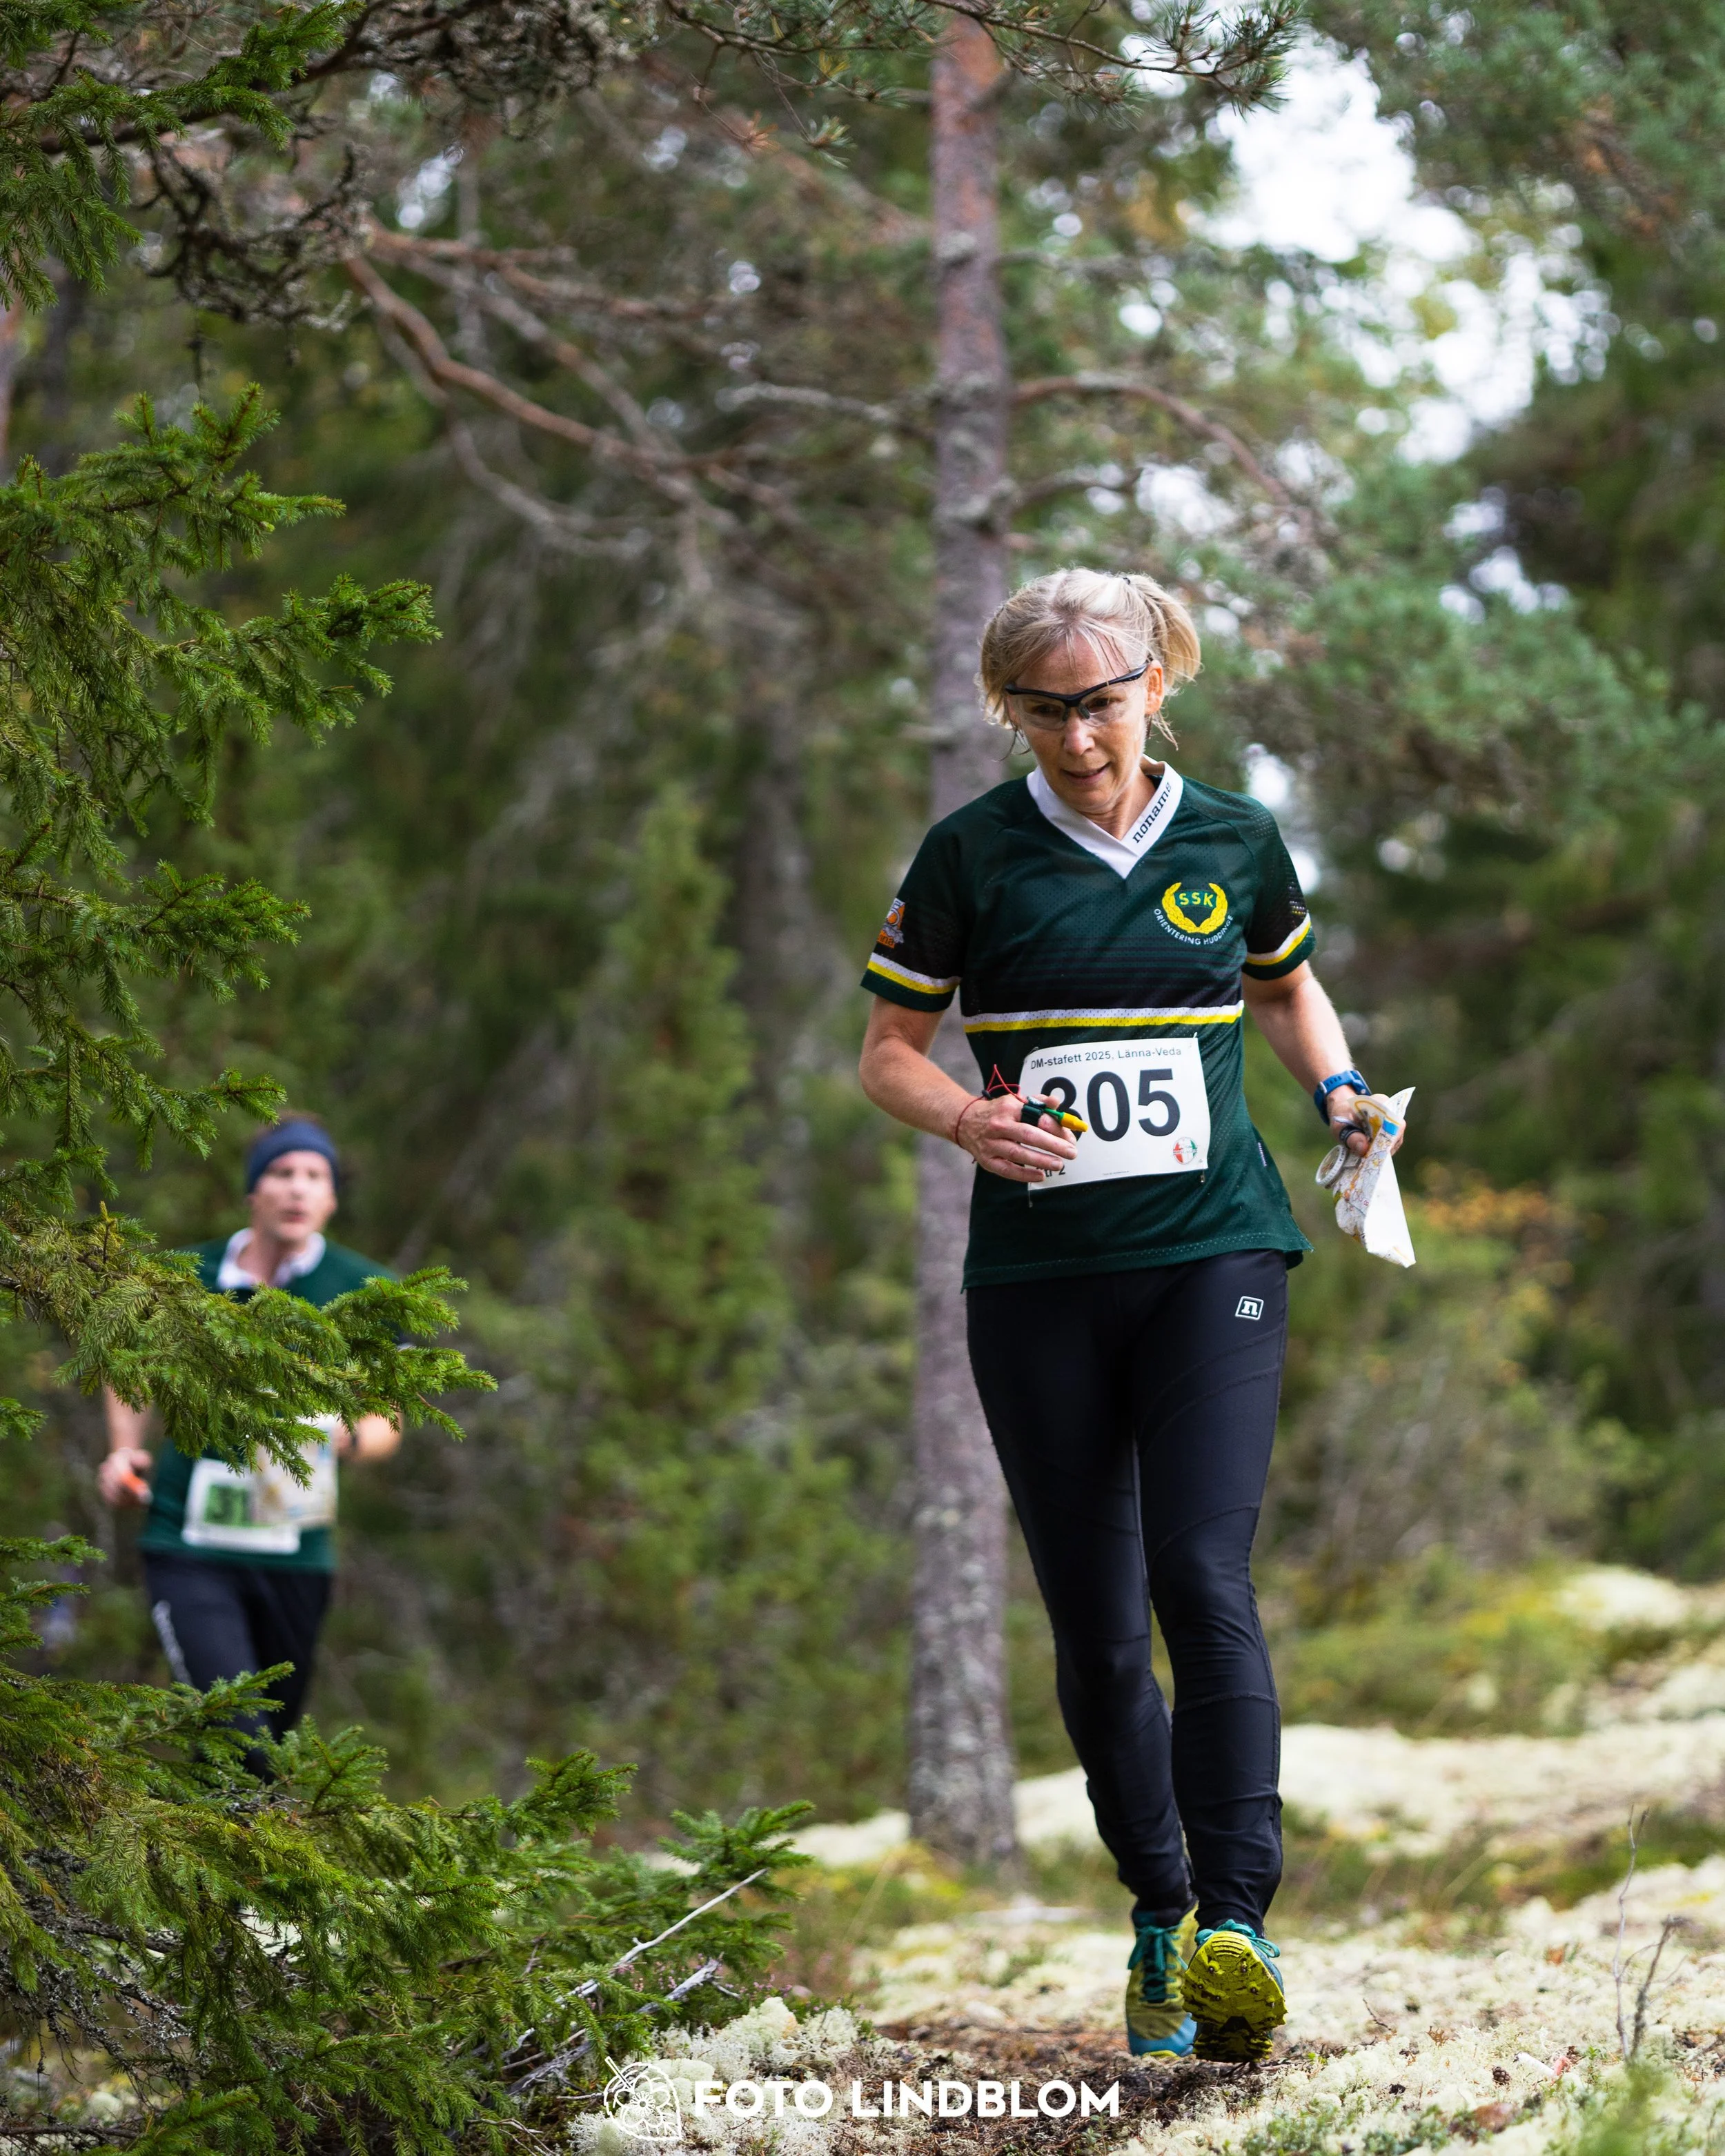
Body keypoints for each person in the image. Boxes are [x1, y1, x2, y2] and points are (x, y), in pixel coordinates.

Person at [858, 568, 1400, 2065]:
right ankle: (1157, 1908)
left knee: (1199, 1573)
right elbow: (887, 1051)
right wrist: (965, 1119)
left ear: (1156, 678)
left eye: (1100, 701)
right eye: (1046, 710)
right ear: (1009, 709)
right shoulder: (970, 853)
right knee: (1098, 1637)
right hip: (1035, 1285)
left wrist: (1338, 1091)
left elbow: (1284, 986)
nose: (1079, 737)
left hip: (1212, 1251)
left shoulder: (1231, 834)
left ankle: (1237, 1919)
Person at [99, 1117, 400, 1770]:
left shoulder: (363, 1289)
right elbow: (130, 1372)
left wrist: (342, 1436)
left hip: (297, 1551)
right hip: (188, 1540)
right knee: (233, 1731)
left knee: (268, 1752)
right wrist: (126, 1450)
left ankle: (232, 1865)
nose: (298, 1190)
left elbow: (388, 1422)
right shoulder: (187, 1274)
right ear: (252, 1192)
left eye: (315, 1177)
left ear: (332, 1199)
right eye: (282, 1173)